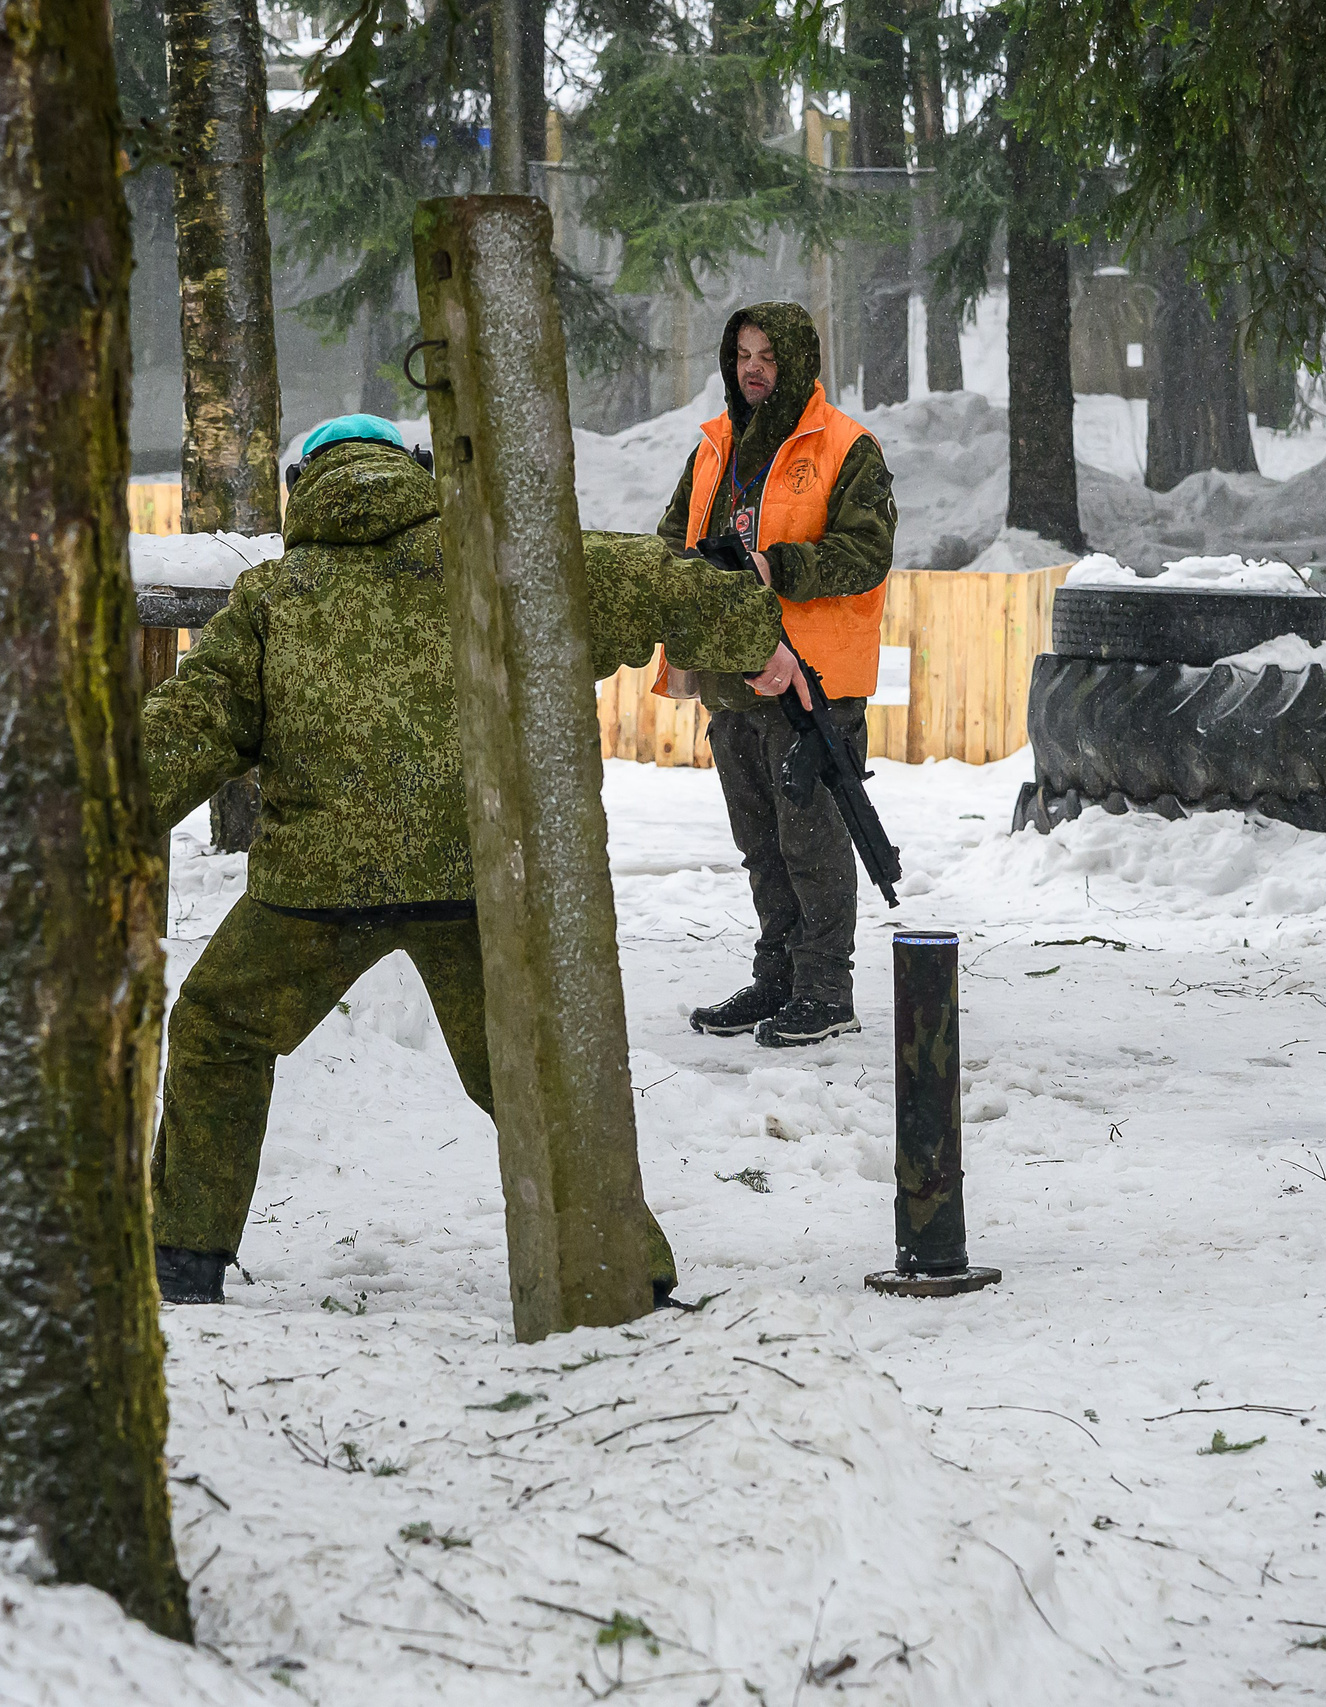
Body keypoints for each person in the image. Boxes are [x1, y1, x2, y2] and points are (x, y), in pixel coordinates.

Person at [142, 413, 811, 1305]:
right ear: (415, 468)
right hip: (475, 872)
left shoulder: (271, 597)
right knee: (530, 1071)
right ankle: (628, 1272)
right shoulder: (494, 562)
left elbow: (181, 735)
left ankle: (184, 1260)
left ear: (300, 490)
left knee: (220, 1029)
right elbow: (646, 577)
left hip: (317, 884)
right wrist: (752, 639)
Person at [658, 303, 899, 1048]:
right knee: (759, 840)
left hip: (811, 687)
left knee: (813, 841)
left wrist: (777, 564)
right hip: (732, 679)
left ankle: (827, 989)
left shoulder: (847, 446)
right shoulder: (714, 448)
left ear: (795, 361)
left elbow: (866, 552)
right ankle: (778, 977)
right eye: (742, 355)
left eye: (767, 355)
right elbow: (673, 539)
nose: (752, 367)